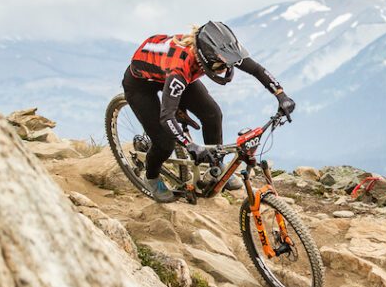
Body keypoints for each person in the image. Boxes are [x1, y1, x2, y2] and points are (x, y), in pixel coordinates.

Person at [122, 20, 295, 201]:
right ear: (205, 59)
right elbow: (167, 117)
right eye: (220, 66)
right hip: (141, 86)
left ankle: (215, 167)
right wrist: (190, 145)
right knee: (165, 142)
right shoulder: (180, 68)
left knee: (213, 114)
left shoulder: (223, 50)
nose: (226, 69)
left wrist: (281, 95)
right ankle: (151, 177)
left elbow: (257, 70)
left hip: (169, 72)